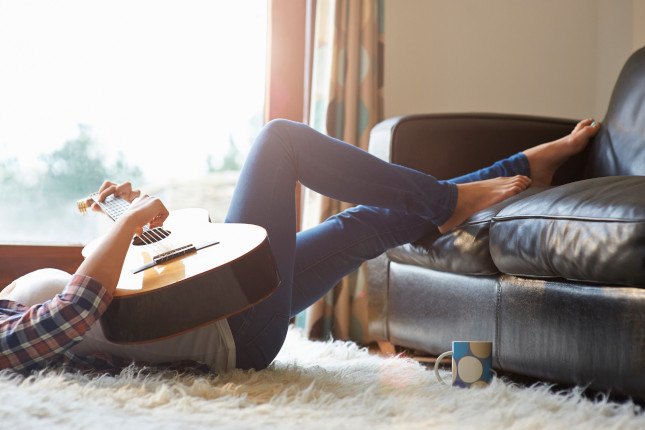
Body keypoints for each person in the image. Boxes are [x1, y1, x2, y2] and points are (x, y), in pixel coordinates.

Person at [0, 118, 600, 373]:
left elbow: (119, 304)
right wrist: (124, 224)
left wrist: (123, 224)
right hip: (232, 330)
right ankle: (452, 200)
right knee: (280, 142)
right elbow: (75, 312)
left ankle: (519, 169)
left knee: (366, 225)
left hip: (224, 303)